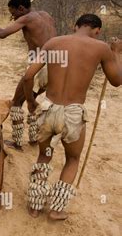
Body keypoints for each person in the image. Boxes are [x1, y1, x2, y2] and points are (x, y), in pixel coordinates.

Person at [23, 14, 122, 220]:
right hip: (73, 113)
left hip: (49, 108)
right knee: (73, 159)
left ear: (75, 25)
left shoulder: (53, 43)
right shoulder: (101, 47)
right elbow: (116, 80)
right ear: (97, 30)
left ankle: (34, 206)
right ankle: (56, 210)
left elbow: (28, 75)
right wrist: (117, 52)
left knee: (44, 156)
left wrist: (31, 101)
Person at [0, 0, 56, 151]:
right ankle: (34, 138)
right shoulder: (46, 15)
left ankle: (17, 142)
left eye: (13, 13)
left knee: (17, 102)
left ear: (21, 8)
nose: (13, 17)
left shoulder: (27, 18)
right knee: (32, 99)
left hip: (39, 64)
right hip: (56, 64)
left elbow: (2, 33)